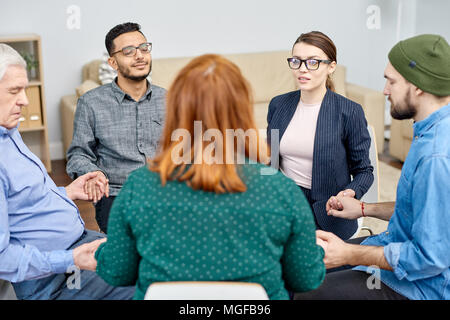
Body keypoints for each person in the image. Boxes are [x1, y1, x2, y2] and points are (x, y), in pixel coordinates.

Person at [94, 54, 326, 300]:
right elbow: (305, 279)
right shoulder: (281, 190)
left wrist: (101, 252)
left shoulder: (139, 186)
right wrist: (314, 251)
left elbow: (117, 273)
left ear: (175, 111)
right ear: (243, 113)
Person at [295, 34, 450, 300]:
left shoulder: (436, 156)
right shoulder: (429, 130)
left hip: (421, 285)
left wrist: (349, 253)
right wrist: (364, 209)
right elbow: (422, 209)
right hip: (394, 245)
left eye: (391, 81)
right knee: (303, 267)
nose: (384, 90)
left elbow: (430, 258)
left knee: (309, 292)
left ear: (418, 87)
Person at [0, 43, 134, 300]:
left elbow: (24, 203)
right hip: (57, 279)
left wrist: (67, 192)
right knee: (149, 286)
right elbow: (2, 258)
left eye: (24, 89)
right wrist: (71, 259)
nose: (25, 101)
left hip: (79, 244)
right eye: (14, 91)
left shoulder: (8, 133)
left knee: (160, 256)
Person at [266, 31, 374, 240]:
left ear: (331, 66)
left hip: (328, 213)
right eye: (296, 61)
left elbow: (364, 171)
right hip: (284, 205)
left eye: (313, 62)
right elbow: (271, 164)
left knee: (307, 265)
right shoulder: (278, 105)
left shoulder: (349, 111)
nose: (302, 69)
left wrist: (350, 192)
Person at [66, 22, 166, 233]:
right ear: (113, 62)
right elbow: (78, 155)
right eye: (128, 51)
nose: (139, 56)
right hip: (117, 194)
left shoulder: (171, 100)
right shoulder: (91, 103)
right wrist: (93, 173)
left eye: (144, 48)